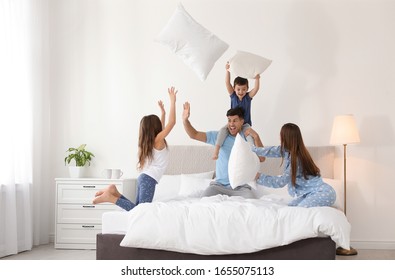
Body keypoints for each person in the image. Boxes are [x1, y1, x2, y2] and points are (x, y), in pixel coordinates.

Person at [93, 87, 177, 210]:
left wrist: (163, 113)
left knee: (137, 209)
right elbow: (172, 123)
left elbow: (163, 128)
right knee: (141, 211)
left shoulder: (152, 141)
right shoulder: (157, 141)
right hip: (149, 180)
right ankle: (111, 198)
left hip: (144, 178)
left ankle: (114, 192)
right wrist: (173, 102)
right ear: (156, 128)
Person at [182, 102, 264, 199]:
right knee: (203, 200)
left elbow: (262, 158)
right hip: (219, 186)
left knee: (252, 203)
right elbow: (194, 135)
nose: (231, 124)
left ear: (242, 121)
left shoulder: (248, 137)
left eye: (235, 121)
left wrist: (257, 137)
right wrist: (185, 120)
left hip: (240, 187)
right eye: (229, 120)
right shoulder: (219, 137)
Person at [246, 123, 336, 207]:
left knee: (297, 211)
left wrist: (259, 177)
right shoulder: (287, 151)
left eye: (281, 135)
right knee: (289, 208)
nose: (279, 137)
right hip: (308, 193)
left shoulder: (296, 159)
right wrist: (249, 146)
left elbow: (280, 182)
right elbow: (268, 151)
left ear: (285, 137)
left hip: (323, 193)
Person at [212, 62, 261, 160]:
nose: (241, 92)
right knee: (222, 131)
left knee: (249, 137)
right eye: (238, 89)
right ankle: (216, 151)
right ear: (234, 89)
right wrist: (227, 71)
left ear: (247, 89)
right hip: (233, 123)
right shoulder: (233, 96)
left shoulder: (248, 97)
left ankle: (254, 155)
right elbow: (227, 83)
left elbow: (256, 89)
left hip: (245, 124)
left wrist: (257, 79)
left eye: (244, 89)